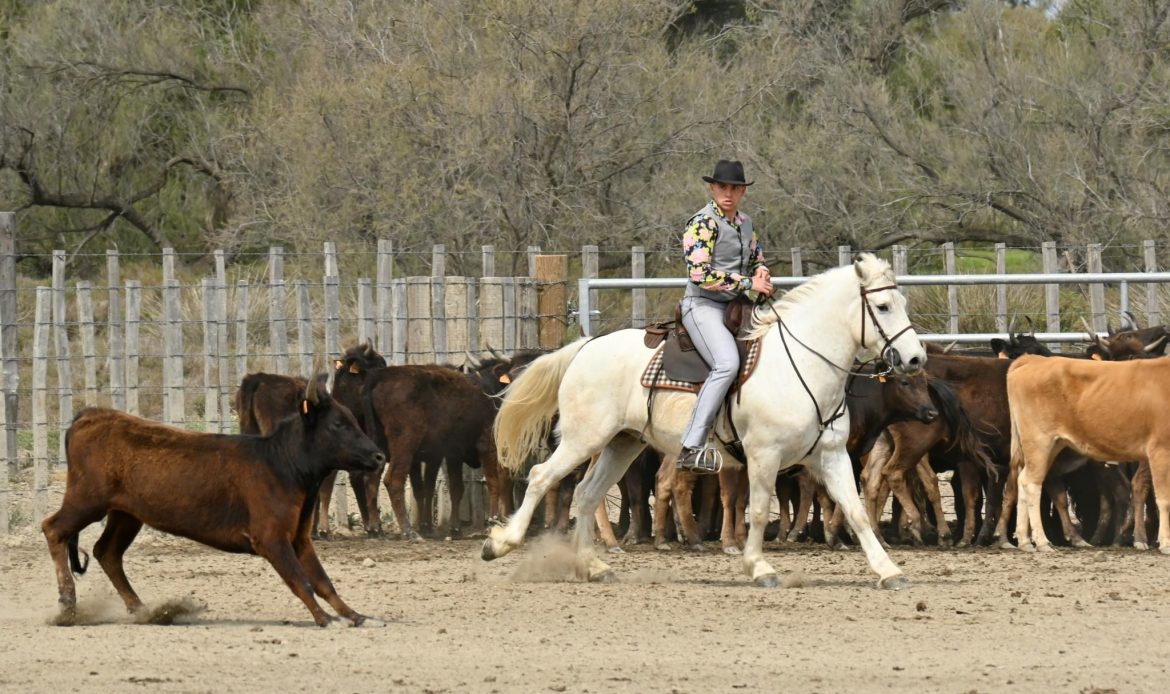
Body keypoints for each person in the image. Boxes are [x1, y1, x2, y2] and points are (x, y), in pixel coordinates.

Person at [677, 159, 774, 474]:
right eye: (722, 187)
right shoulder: (702, 223)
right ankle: (691, 446)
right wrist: (749, 283)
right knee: (727, 363)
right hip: (703, 305)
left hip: (737, 307)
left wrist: (762, 272)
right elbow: (699, 274)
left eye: (735, 188)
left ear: (743, 191)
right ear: (712, 188)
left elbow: (756, 258)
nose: (728, 193)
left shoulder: (746, 223)